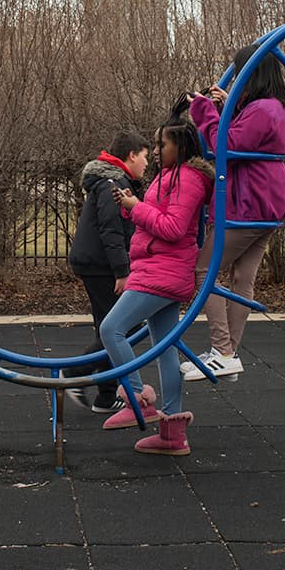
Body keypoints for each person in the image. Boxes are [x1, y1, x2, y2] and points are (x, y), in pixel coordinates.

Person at [97, 117, 214, 455]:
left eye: (162, 145)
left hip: (164, 272)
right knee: (165, 348)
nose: (157, 151)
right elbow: (158, 217)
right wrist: (132, 209)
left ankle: (138, 398)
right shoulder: (170, 176)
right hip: (158, 267)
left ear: (180, 145)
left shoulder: (188, 178)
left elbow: (174, 227)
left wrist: (137, 207)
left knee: (112, 329)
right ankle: (173, 434)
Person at [183, 45, 285, 381]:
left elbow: (224, 146)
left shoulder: (261, 109)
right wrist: (228, 105)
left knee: (203, 270)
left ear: (252, 72)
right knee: (242, 278)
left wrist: (204, 110)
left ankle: (223, 348)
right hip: (268, 203)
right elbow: (244, 137)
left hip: (249, 203)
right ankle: (228, 352)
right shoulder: (279, 108)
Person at [63, 131, 151, 413]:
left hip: (96, 263)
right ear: (132, 155)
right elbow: (112, 230)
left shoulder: (112, 181)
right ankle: (75, 373)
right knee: (123, 326)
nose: (147, 164)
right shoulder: (112, 184)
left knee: (109, 327)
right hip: (101, 265)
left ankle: (105, 394)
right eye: (146, 157)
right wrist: (122, 271)